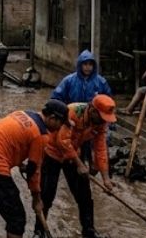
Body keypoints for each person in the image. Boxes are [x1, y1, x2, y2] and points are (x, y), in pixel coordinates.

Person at [0, 100, 70, 238]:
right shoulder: (41, 135)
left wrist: (20, 164)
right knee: (17, 220)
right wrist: (36, 198)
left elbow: (10, 140)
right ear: (52, 118)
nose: (60, 129)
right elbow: (34, 171)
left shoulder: (22, 113)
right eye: (61, 124)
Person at [34, 95, 118, 238]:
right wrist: (80, 164)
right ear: (92, 110)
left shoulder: (100, 123)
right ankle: (39, 230)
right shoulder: (72, 111)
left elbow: (101, 149)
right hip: (52, 152)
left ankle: (89, 231)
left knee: (85, 196)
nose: (103, 121)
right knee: (47, 195)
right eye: (102, 117)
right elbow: (62, 141)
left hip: (73, 154)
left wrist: (106, 179)